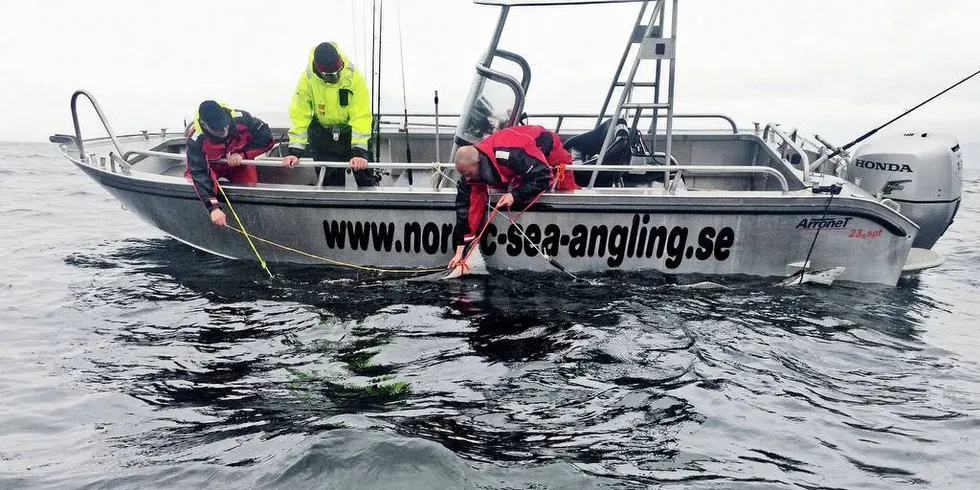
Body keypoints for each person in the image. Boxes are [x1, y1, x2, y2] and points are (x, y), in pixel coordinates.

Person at [448, 125, 579, 268]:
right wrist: (460, 250)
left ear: (478, 162)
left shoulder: (513, 154)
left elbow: (543, 176)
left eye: (468, 175)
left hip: (546, 153)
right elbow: (467, 206)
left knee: (559, 185)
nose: (467, 179)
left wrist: (515, 195)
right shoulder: (470, 169)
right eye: (464, 176)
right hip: (518, 163)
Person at [281, 41, 377, 186]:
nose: (335, 77)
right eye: (330, 74)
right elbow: (300, 115)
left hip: (350, 133)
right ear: (319, 71)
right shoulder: (307, 78)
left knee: (364, 176)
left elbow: (360, 115)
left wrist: (359, 152)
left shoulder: (354, 77)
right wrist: (295, 151)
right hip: (324, 136)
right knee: (329, 181)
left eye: (337, 72)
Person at [185, 100, 275, 227]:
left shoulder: (242, 119)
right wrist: (213, 207)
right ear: (205, 125)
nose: (224, 130)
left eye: (225, 124)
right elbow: (199, 172)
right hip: (209, 168)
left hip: (237, 164)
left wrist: (242, 154)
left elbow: (266, 138)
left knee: (249, 190)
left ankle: (253, 224)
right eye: (217, 128)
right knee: (200, 186)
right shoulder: (196, 138)